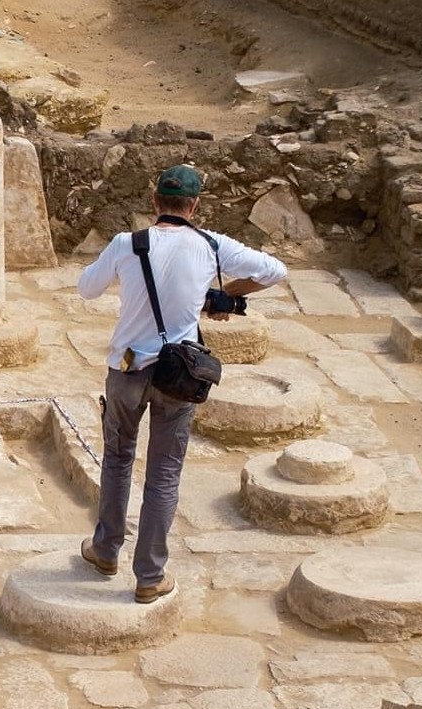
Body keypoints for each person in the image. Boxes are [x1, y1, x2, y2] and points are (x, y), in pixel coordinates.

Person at [74, 164, 289, 603]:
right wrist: (226, 295)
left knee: (117, 459)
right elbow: (275, 270)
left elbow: (86, 290)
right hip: (179, 374)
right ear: (194, 206)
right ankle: (149, 575)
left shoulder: (126, 244)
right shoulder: (211, 246)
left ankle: (105, 549)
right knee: (165, 473)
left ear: (155, 202)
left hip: (128, 368)